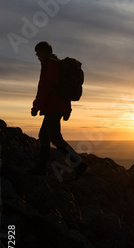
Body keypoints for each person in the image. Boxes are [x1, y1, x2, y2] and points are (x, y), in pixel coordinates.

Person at [28, 41, 87, 178]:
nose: (37, 56)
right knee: (44, 136)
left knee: (55, 138)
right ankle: (41, 168)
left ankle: (78, 165)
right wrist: (67, 110)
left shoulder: (50, 65)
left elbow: (44, 88)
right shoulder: (59, 64)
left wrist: (36, 107)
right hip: (57, 107)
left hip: (52, 107)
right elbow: (63, 90)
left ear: (44, 51)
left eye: (38, 52)